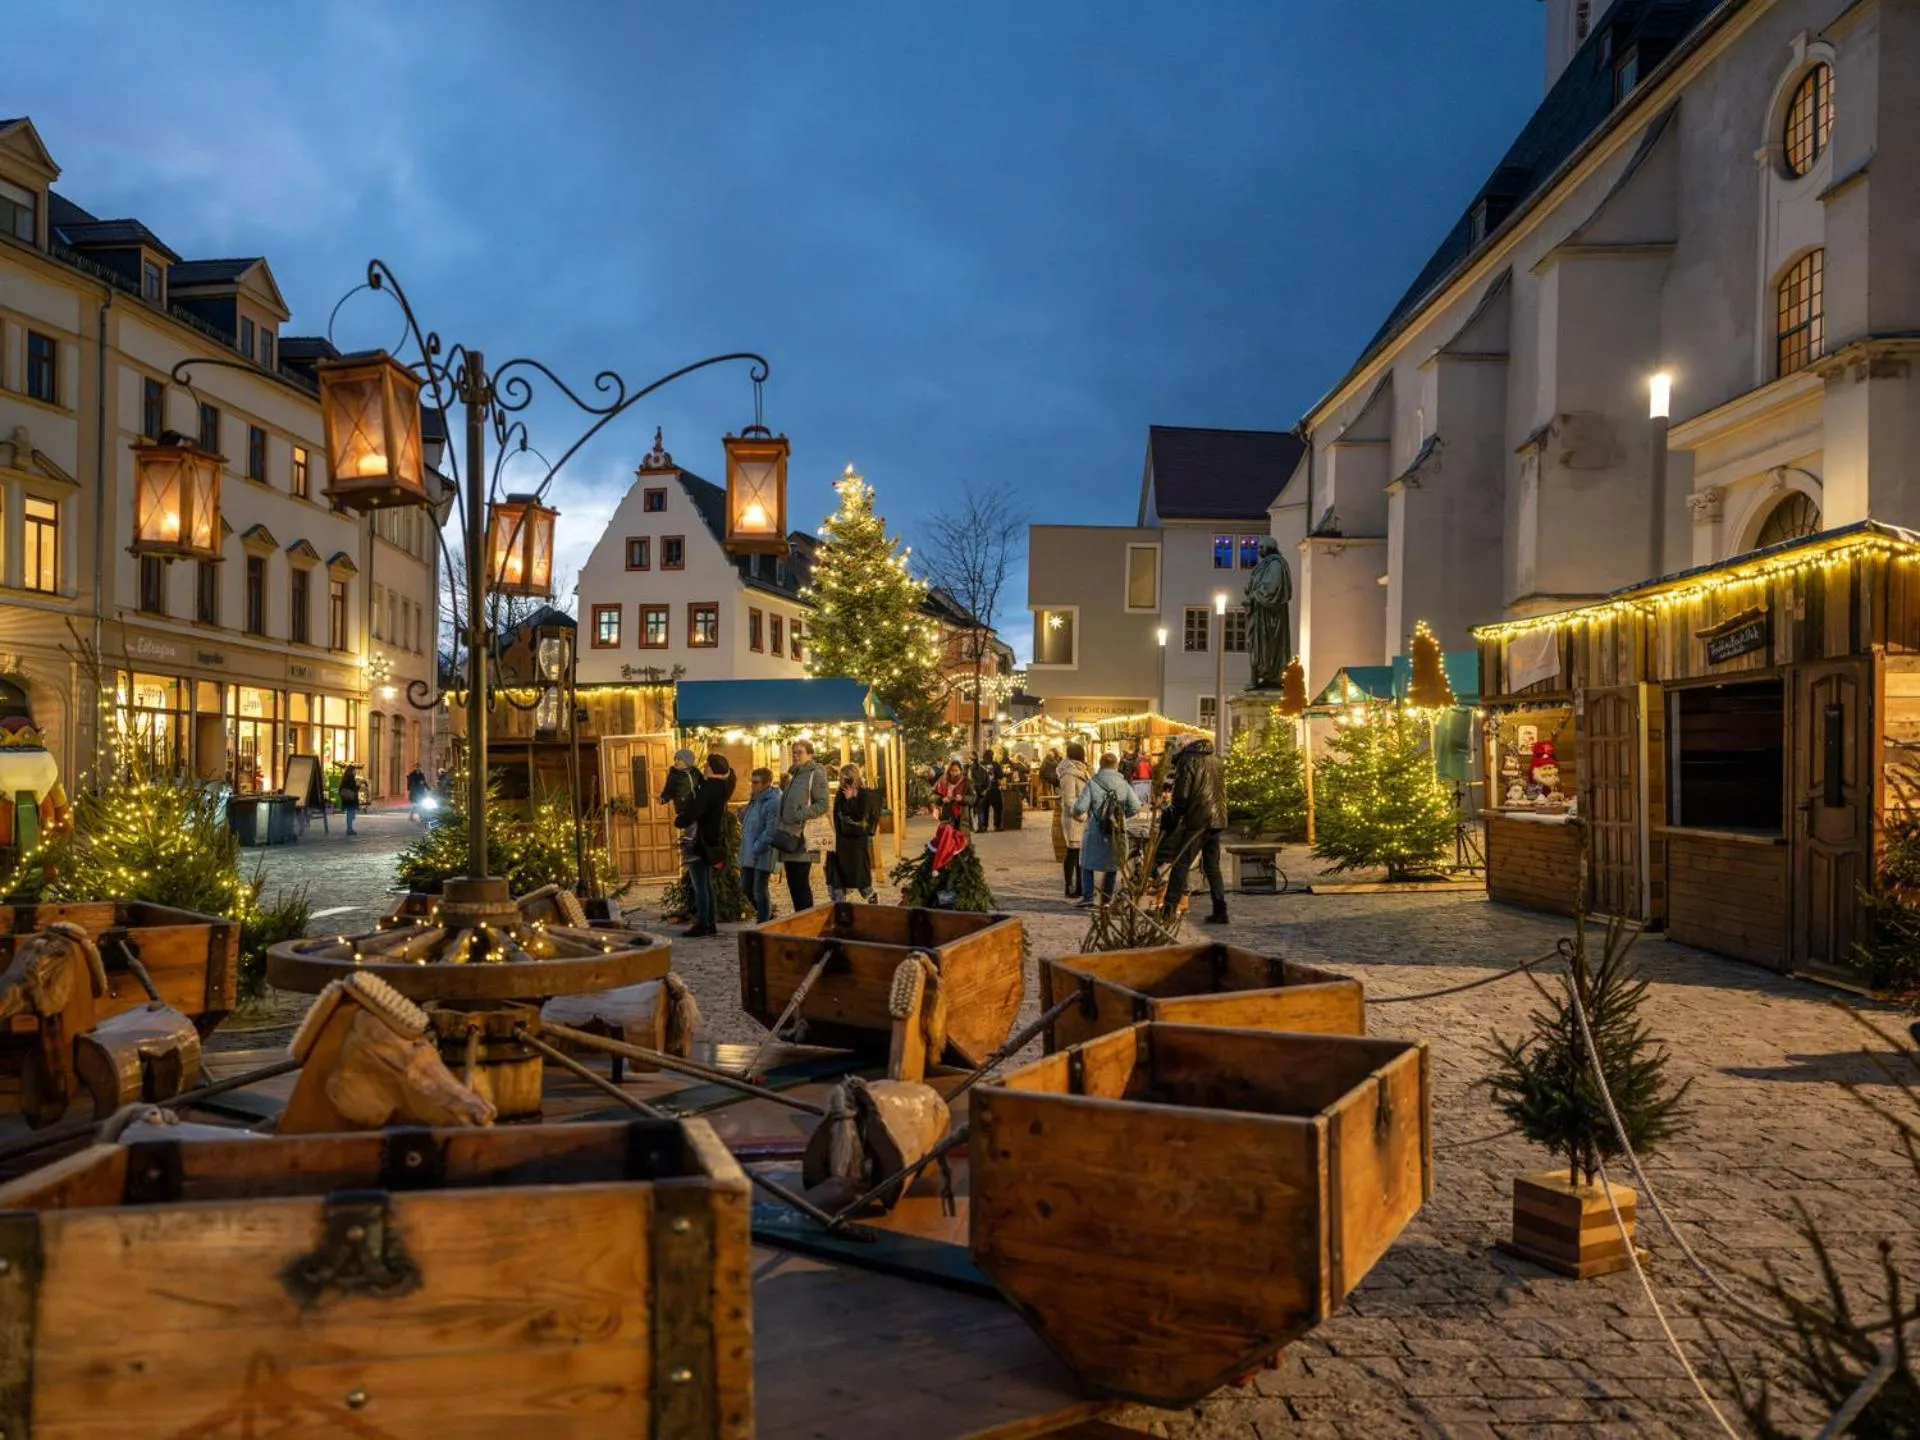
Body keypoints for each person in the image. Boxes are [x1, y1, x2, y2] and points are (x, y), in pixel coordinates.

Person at [1162, 734, 1229, 926]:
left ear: (1184, 745)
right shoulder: (1216, 759)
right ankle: (1220, 910)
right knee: (1212, 866)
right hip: (1217, 819)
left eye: (1176, 746)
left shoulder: (1188, 759)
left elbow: (1182, 795)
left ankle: (1168, 910)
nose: (1175, 750)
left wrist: (1174, 815)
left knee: (1181, 863)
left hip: (1197, 819)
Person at [674, 754, 735, 937]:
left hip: (699, 840)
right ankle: (710, 923)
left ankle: (703, 924)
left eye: (707, 765)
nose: (705, 768)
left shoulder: (708, 789)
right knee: (706, 884)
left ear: (712, 768)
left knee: (700, 885)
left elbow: (695, 811)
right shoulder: (722, 787)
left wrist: (680, 820)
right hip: (710, 840)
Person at [1070, 752, 1140, 906]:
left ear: (1100, 766)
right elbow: (1135, 807)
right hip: (1116, 831)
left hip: (1095, 830)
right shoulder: (1124, 784)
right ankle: (1106, 900)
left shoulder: (1092, 783)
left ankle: (1088, 897)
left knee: (1086, 863)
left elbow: (1080, 808)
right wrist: (1121, 818)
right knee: (1112, 864)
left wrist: (1073, 811)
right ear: (1116, 766)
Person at [779, 739, 830, 912]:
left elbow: (823, 804)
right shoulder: (794, 775)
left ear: (810, 754)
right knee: (793, 883)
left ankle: (806, 919)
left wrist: (800, 814)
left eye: (799, 752)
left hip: (803, 836)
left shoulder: (816, 774)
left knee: (800, 882)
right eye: (793, 752)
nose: (795, 755)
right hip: (789, 835)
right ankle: (799, 918)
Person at [827, 763, 883, 904]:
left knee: (859, 873)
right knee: (837, 874)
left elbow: (860, 818)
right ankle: (840, 905)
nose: (842, 781)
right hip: (840, 840)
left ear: (854, 777)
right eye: (840, 778)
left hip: (856, 842)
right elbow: (839, 815)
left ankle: (870, 896)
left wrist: (851, 799)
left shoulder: (865, 795)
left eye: (845, 778)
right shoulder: (841, 793)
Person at [737, 766, 783, 925]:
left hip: (762, 851)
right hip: (750, 850)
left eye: (756, 782)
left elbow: (771, 829)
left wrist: (757, 847)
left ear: (767, 783)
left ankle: (763, 922)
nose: (752, 785)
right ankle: (766, 915)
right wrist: (741, 813)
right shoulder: (755, 798)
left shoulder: (773, 801)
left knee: (759, 888)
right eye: (752, 782)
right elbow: (750, 822)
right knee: (746, 888)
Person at [1053, 741, 1090, 898]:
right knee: (1074, 853)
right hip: (1074, 819)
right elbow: (1069, 800)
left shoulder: (1080, 770)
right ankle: (1071, 886)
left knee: (1079, 854)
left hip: (1081, 817)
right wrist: (1082, 815)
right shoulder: (1069, 773)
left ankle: (1080, 886)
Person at [934, 760, 972, 828]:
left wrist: (962, 798)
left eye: (956, 770)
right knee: (947, 837)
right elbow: (933, 795)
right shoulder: (942, 780)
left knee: (961, 837)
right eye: (952, 770)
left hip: (962, 816)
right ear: (948, 771)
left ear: (961, 770)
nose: (954, 773)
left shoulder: (966, 782)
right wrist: (941, 799)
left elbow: (973, 797)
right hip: (946, 815)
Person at [339, 764, 362, 836]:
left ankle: (349, 828)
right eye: (354, 771)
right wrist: (358, 786)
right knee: (351, 814)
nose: (355, 772)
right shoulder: (350, 778)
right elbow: (352, 789)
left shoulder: (345, 778)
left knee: (351, 814)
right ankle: (349, 829)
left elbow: (342, 789)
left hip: (347, 799)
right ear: (351, 771)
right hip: (351, 799)